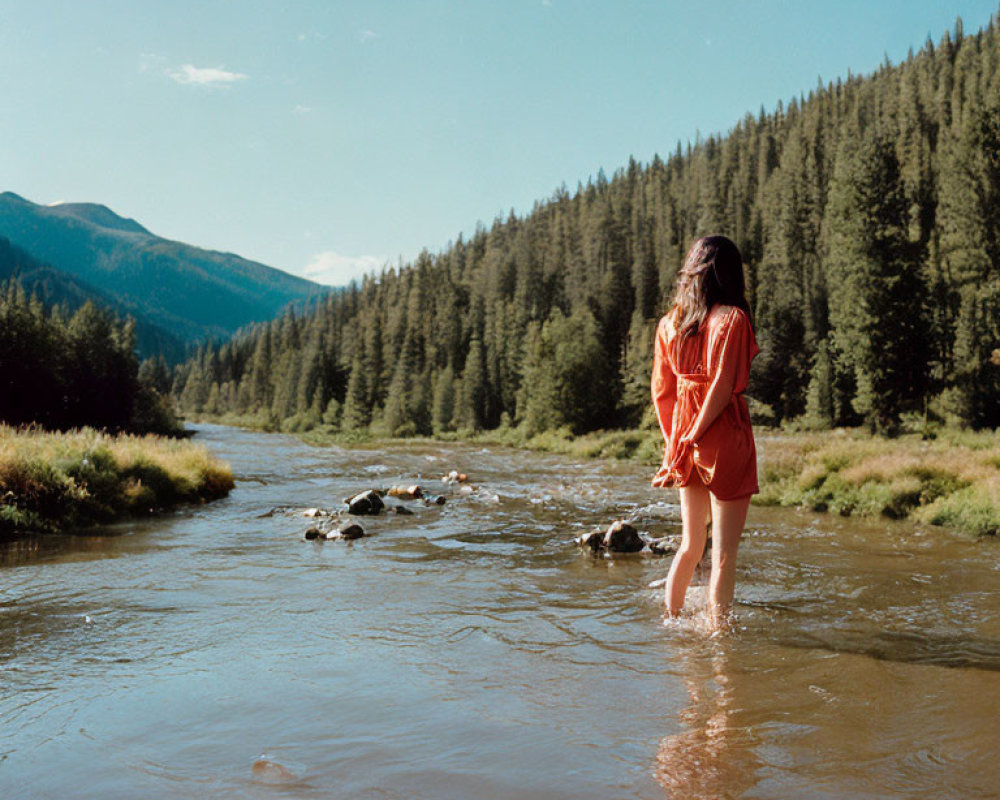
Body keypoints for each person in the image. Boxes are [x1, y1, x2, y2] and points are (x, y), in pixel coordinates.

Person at [651, 235, 759, 629]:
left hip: (683, 439)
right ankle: (719, 640)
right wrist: (697, 435)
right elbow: (722, 386)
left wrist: (676, 443)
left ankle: (671, 621)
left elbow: (661, 394)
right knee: (725, 555)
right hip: (722, 436)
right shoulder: (732, 319)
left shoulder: (670, 323)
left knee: (690, 545)